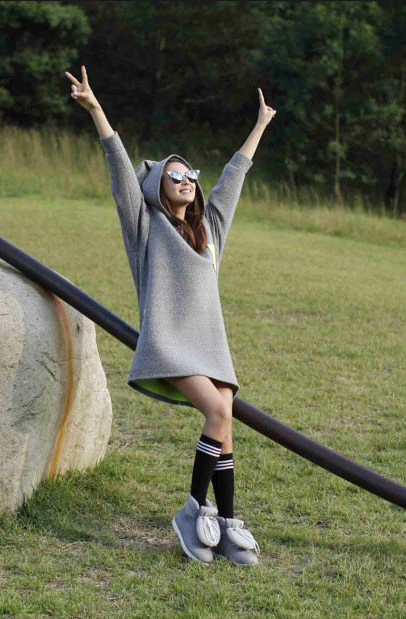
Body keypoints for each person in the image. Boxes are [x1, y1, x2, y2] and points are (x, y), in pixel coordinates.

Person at [64, 65, 276, 565]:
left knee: (224, 431)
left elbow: (233, 177)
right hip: (169, 342)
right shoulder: (146, 226)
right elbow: (120, 173)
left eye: (190, 175)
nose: (186, 181)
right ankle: (190, 511)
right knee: (219, 414)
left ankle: (224, 527)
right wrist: (96, 110)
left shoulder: (210, 231)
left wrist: (261, 123)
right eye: (174, 175)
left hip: (211, 345)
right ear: (159, 186)